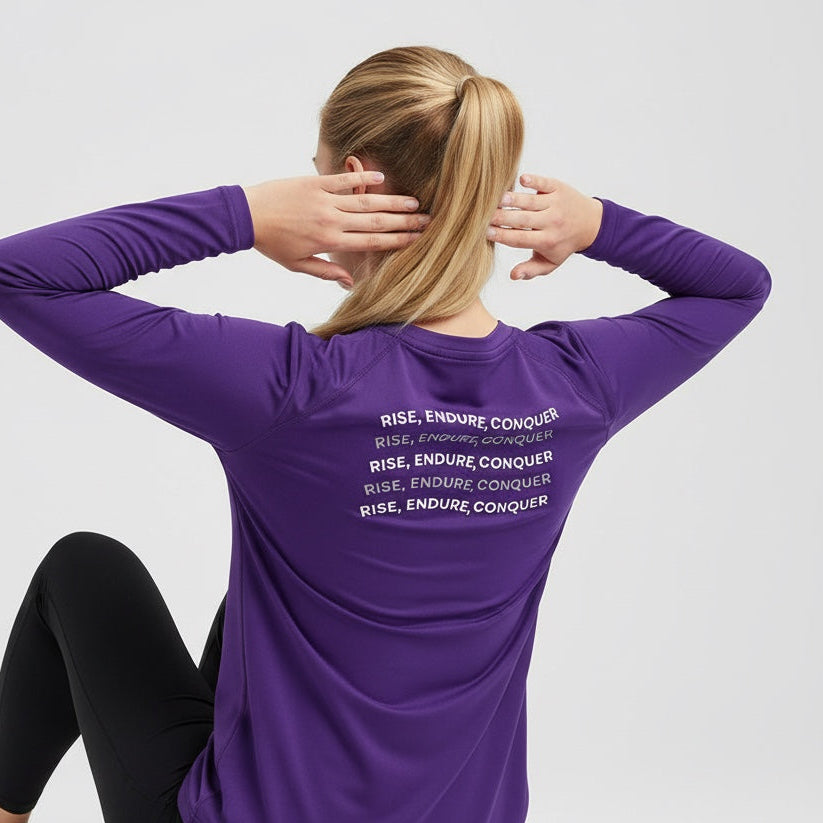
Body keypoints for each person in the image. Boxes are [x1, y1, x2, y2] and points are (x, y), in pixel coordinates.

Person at [0, 44, 770, 823]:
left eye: (315, 174)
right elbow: (737, 286)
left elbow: (19, 274)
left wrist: (248, 212)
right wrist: (601, 224)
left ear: (353, 180)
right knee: (258, 599)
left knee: (83, 566)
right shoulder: (571, 386)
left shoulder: (295, 388)